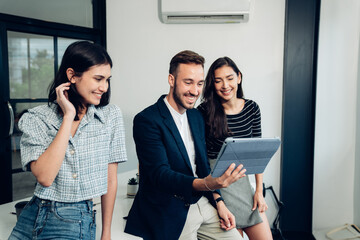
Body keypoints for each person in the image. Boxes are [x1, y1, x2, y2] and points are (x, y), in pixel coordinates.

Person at [8, 41, 127, 240]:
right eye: (98, 79)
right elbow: (45, 177)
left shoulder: (110, 116)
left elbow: (110, 179)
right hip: (32, 214)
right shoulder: (36, 118)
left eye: (107, 80)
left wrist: (106, 233)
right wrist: (68, 116)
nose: (104, 87)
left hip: (75, 217)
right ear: (72, 75)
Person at [124, 50, 246, 240]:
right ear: (171, 80)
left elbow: (203, 165)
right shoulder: (147, 120)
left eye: (199, 84)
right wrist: (206, 183)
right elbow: (160, 175)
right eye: (188, 82)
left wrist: (219, 201)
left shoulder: (196, 116)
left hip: (202, 203)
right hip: (168, 210)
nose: (195, 91)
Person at [198, 56, 273, 239]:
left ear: (239, 77)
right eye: (218, 80)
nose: (225, 85)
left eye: (230, 78)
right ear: (212, 84)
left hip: (243, 183)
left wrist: (258, 191)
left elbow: (258, 153)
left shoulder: (252, 108)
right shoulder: (204, 111)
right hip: (219, 184)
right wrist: (218, 200)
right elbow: (202, 159)